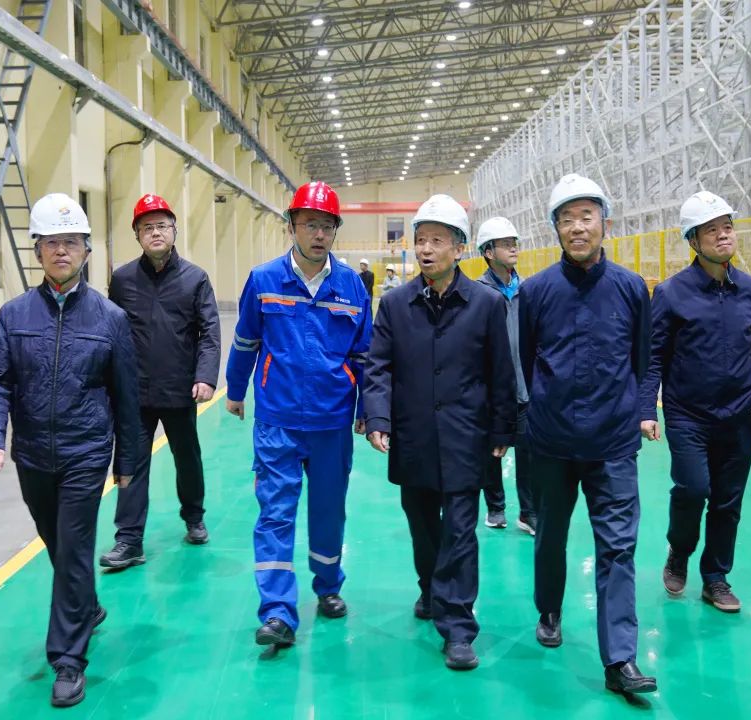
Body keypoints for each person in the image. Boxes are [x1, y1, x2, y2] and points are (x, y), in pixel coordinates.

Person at [0, 193, 139, 707]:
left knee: (73, 548)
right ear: (38, 251)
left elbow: (127, 398)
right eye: (51, 242)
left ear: (87, 250)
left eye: (71, 242)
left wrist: (127, 463)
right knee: (57, 543)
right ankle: (85, 605)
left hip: (85, 452)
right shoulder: (13, 315)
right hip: (31, 455)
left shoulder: (110, 319)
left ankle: (68, 659)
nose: (61, 251)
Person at [364, 194, 516, 671]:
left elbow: (501, 371)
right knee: (424, 525)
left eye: (437, 240)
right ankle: (430, 587)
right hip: (414, 436)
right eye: (421, 240)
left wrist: (502, 428)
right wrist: (378, 418)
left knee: (461, 532)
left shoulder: (486, 304)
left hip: (467, 437)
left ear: (459, 248)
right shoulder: (395, 305)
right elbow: (378, 367)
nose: (426, 249)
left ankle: (459, 626)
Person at [519, 174, 657, 694]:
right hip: (551, 441)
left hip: (613, 443)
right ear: (555, 229)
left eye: (586, 217)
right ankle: (549, 609)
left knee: (618, 548)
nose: (577, 227)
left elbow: (642, 359)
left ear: (605, 223)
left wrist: (639, 412)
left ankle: (620, 659)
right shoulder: (536, 291)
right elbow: (525, 361)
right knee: (551, 535)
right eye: (566, 219)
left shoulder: (630, 288)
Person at [225, 181, 372, 648]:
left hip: (332, 419)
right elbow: (246, 339)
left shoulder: (351, 285)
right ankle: (277, 611)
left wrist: (367, 409)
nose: (319, 233)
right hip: (278, 419)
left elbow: (364, 355)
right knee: (275, 513)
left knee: (329, 511)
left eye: (327, 225)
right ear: (292, 226)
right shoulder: (264, 280)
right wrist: (235, 389)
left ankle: (328, 586)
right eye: (310, 224)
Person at [640, 190, 751, 613]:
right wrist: (646, 409)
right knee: (693, 488)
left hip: (736, 416)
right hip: (688, 415)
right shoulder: (671, 293)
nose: (723, 235)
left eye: (727, 227)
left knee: (727, 500)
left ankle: (715, 577)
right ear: (693, 240)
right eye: (711, 230)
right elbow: (653, 355)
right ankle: (679, 551)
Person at [99, 194, 221, 569]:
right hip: (134, 391)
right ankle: (129, 539)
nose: (155, 233)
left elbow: (209, 332)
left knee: (187, 458)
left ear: (174, 231)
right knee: (131, 463)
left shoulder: (195, 279)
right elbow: (110, 333)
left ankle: (194, 517)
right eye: (147, 227)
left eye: (162, 226)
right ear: (137, 235)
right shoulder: (122, 280)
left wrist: (205, 376)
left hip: (180, 388)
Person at [475, 216, 536, 534]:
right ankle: (495, 507)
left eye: (515, 243)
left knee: (529, 453)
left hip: (525, 387)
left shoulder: (528, 290)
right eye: (506, 244)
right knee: (492, 453)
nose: (514, 248)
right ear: (488, 252)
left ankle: (528, 512)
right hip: (490, 390)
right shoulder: (478, 293)